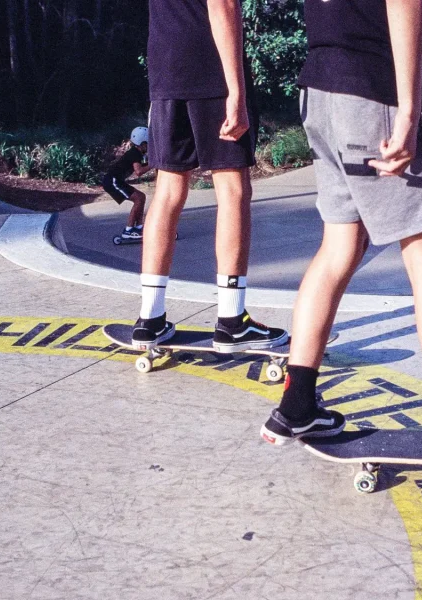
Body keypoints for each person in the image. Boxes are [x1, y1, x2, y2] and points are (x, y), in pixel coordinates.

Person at [260, 0, 422, 468]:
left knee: (338, 247)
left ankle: (295, 408)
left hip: (321, 91)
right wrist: (408, 112)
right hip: (377, 93)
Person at [134, 0, 287, 352]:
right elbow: (223, 5)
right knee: (233, 189)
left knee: (168, 189)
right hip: (210, 69)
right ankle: (232, 322)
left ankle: (150, 318)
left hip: (165, 67)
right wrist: (236, 91)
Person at [102, 126, 151, 243]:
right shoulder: (135, 153)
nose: (149, 146)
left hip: (116, 180)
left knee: (141, 197)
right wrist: (154, 164)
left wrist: (151, 163)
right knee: (138, 199)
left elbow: (142, 166)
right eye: (148, 143)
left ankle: (138, 228)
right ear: (142, 143)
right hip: (112, 181)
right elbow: (138, 171)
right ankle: (128, 231)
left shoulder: (136, 152)